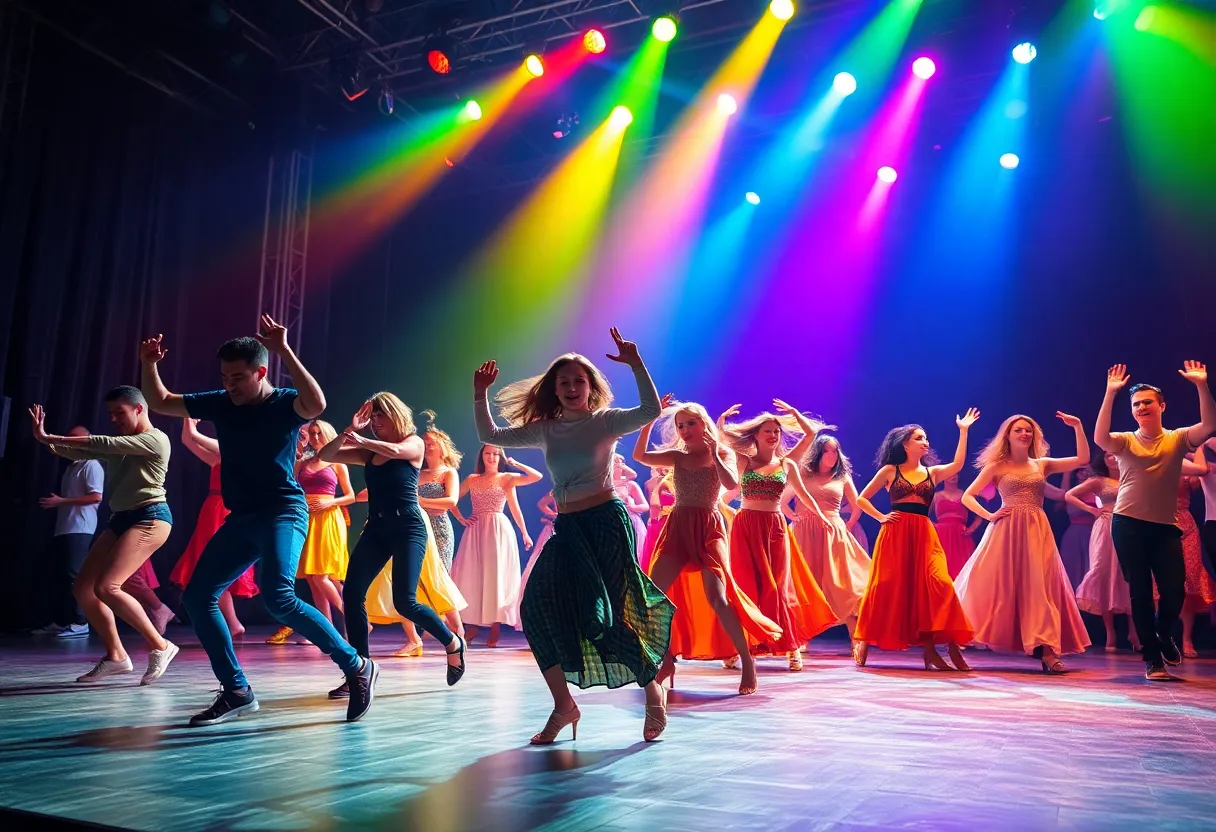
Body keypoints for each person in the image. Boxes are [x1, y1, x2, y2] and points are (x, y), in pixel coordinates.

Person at [140, 315, 375, 725]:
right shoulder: (220, 401)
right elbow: (160, 401)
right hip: (242, 516)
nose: (229, 383)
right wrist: (149, 363)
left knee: (279, 597)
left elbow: (316, 404)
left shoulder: (284, 402)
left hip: (284, 510)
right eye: (224, 376)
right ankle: (236, 690)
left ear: (260, 372)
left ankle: (356, 665)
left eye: (237, 376)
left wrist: (284, 348)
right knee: (198, 597)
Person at [473, 328, 674, 743]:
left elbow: (651, 408)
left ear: (590, 387)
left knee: (605, 619)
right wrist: (480, 394)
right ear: (554, 389)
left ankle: (652, 686)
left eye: (578, 381)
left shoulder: (607, 422)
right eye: (562, 382)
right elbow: (490, 436)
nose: (570, 387)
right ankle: (564, 707)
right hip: (567, 529)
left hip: (605, 524)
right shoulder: (546, 428)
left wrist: (635, 364)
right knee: (535, 608)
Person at [320, 394, 467, 697]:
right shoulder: (368, 452)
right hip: (377, 527)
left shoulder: (413, 443)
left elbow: (396, 450)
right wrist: (350, 430)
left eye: (380, 417)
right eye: (372, 418)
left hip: (408, 527)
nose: (375, 423)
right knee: (352, 593)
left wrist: (360, 439)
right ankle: (360, 670)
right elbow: (328, 453)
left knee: (405, 602)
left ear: (395, 416)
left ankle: (452, 642)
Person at [29, 389, 178, 685]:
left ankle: (161, 646)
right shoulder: (122, 446)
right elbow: (83, 451)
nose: (113, 419)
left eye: (119, 413)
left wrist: (51, 437)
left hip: (151, 517)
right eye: (111, 414)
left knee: (108, 587)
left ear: (138, 409)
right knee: (84, 588)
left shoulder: (155, 439)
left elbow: (101, 443)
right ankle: (117, 656)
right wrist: (46, 441)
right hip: (121, 519)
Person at [634, 397, 781, 695]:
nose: (686, 429)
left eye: (691, 423)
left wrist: (715, 453)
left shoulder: (722, 452)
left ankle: (747, 661)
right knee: (654, 596)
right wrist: (650, 420)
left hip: (709, 528)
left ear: (704, 424)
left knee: (717, 597)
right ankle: (666, 661)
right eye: (680, 425)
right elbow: (639, 455)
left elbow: (729, 485)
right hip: (677, 527)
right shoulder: (676, 455)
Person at [1094, 362, 1216, 680]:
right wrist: (1110, 393)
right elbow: (1100, 438)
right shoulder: (1124, 440)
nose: (1142, 407)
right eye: (1136, 404)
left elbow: (1209, 425)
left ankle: (1163, 634)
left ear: (1161, 406)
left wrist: (1202, 385)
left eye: (1147, 401)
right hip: (1128, 523)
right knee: (1141, 593)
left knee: (1175, 589)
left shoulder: (1177, 439)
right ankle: (1153, 658)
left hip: (1164, 526)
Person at [954, 413, 1092, 672]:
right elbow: (968, 497)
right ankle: (957, 637)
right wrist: (990, 515)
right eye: (1018, 430)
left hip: (1036, 529)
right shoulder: (997, 466)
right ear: (1008, 435)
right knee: (990, 585)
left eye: (1028, 430)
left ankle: (1047, 651)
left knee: (1040, 587)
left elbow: (1082, 460)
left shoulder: (1042, 464)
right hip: (1006, 530)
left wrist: (1078, 426)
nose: (1024, 434)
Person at [853, 410, 980, 670]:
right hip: (896, 532)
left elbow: (957, 465)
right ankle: (866, 637)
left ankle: (949, 646)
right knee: (888, 586)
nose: (925, 442)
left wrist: (963, 431)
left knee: (939, 584)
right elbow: (861, 498)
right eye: (919, 438)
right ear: (905, 444)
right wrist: (880, 517)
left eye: (926, 438)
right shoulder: (890, 470)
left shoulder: (932, 473)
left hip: (924, 532)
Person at [718, 402, 837, 671]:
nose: (773, 435)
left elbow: (809, 442)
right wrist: (722, 421)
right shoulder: (744, 460)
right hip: (746, 525)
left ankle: (791, 646)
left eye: (776, 431)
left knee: (778, 588)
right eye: (768, 431)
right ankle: (739, 648)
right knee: (745, 586)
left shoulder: (787, 464)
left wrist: (820, 516)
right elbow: (721, 441)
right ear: (756, 435)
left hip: (774, 527)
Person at [169, 418, 257, 636]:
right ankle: (232, 624)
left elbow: (196, 438)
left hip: (222, 510)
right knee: (209, 564)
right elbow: (188, 442)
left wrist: (192, 426)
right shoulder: (218, 459)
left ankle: (232, 624)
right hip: (212, 509)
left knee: (216, 563)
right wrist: (187, 422)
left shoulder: (233, 451)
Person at [451, 445, 541, 647]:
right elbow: (451, 499)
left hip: (498, 529)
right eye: (487, 453)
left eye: (495, 454)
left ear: (500, 457)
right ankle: (473, 624)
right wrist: (461, 519)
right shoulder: (473, 479)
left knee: (496, 576)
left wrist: (525, 533)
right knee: (474, 575)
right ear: (481, 455)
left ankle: (495, 625)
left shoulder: (507, 477)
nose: (491, 457)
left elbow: (536, 477)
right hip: (475, 530)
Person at [32, 426, 103, 638]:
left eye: (73, 438)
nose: (69, 441)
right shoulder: (73, 466)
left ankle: (80, 622)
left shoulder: (91, 465)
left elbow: (96, 497)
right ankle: (62, 620)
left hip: (80, 528)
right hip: (65, 527)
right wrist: (42, 434)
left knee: (75, 575)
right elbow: (54, 447)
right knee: (60, 576)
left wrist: (61, 501)